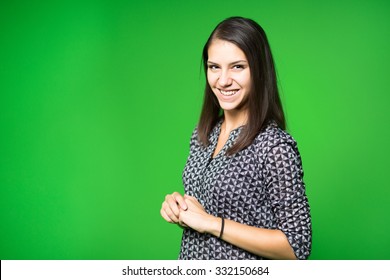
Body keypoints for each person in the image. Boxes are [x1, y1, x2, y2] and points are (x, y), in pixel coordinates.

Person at [160, 16, 312, 260]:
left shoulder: (274, 146)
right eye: (214, 67)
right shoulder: (202, 135)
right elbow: (205, 215)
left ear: (259, 70)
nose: (223, 80)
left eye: (238, 66)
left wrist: (211, 223)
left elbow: (297, 247)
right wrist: (183, 211)